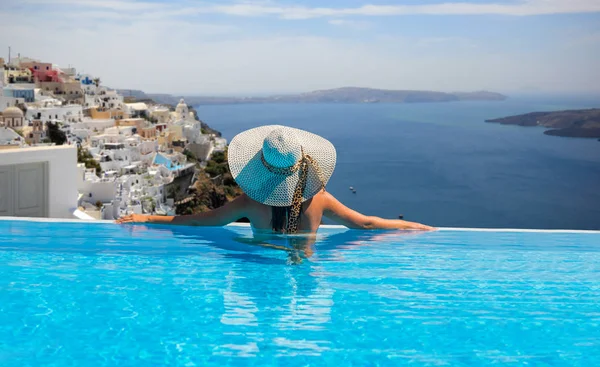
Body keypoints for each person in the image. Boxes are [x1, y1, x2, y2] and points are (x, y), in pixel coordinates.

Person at [117, 125, 435, 233]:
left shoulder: (250, 202)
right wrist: (412, 226)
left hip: (260, 275)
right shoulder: (319, 198)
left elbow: (201, 222)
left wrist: (145, 217)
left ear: (260, 164)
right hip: (305, 275)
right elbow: (365, 224)